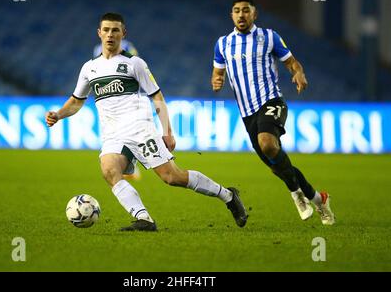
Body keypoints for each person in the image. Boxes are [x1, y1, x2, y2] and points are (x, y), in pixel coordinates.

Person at [46, 12, 248, 231]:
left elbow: (157, 97)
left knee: (172, 177)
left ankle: (227, 195)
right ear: (99, 33)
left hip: (140, 129)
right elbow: (76, 101)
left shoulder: (135, 64)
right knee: (109, 170)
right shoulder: (89, 68)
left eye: (115, 30)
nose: (110, 35)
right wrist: (58, 114)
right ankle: (144, 219)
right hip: (112, 134)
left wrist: (167, 131)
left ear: (123, 33)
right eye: (106, 30)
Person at [210, 0, 335, 225]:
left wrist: (298, 73)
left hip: (272, 101)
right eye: (237, 10)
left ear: (254, 13)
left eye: (246, 10)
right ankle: (319, 199)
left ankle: (295, 193)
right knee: (277, 166)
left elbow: (291, 62)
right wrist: (217, 81)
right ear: (231, 15)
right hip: (247, 114)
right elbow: (217, 73)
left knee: (268, 144)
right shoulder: (223, 44)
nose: (241, 15)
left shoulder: (269, 37)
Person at [94, 38, 141, 181]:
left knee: (128, 132)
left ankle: (130, 163)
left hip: (126, 99)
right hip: (109, 99)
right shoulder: (99, 49)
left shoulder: (126, 46)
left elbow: (135, 67)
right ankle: (121, 164)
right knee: (113, 134)